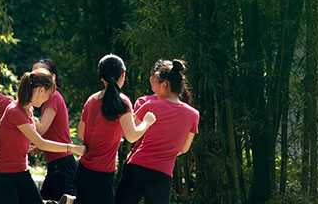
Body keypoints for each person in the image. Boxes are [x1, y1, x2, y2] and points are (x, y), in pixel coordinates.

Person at [0, 68, 86, 204]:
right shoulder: (15, 111)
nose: (47, 99)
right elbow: (41, 142)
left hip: (20, 169)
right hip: (3, 172)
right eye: (48, 94)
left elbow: (24, 138)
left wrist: (30, 148)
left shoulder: (29, 109)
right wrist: (72, 148)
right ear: (41, 90)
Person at [115, 59, 199, 204]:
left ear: (164, 84)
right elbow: (184, 148)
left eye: (154, 81)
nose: (152, 85)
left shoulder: (150, 105)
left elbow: (132, 132)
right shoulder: (194, 115)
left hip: (137, 168)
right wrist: (165, 154)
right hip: (163, 174)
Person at [76, 54, 157, 204]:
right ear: (123, 74)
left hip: (83, 169)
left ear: (101, 78)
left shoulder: (91, 100)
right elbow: (131, 136)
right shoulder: (123, 102)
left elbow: (82, 133)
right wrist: (147, 122)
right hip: (102, 173)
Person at [31, 58, 78, 201]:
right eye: (33, 75)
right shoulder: (49, 98)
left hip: (62, 163)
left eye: (39, 74)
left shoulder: (53, 97)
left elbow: (42, 128)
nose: (33, 79)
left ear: (52, 77)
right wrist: (39, 148)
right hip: (56, 163)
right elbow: (52, 132)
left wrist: (20, 115)